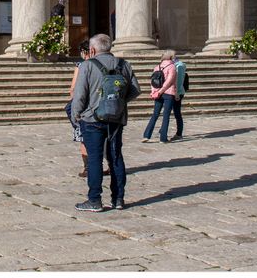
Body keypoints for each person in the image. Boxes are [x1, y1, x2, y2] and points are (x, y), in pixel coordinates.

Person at [70, 33, 141, 212]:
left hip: (92, 119)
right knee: (115, 157)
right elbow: (136, 90)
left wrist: (76, 114)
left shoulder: (87, 66)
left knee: (95, 160)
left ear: (92, 50)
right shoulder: (124, 64)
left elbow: (79, 95)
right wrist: (119, 103)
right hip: (116, 118)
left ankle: (94, 200)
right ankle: (118, 199)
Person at [65, 40, 109, 178]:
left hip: (85, 111)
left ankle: (88, 168)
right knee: (106, 140)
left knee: (84, 138)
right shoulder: (107, 65)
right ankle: (111, 165)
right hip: (105, 109)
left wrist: (76, 111)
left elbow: (73, 90)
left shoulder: (82, 65)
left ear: (85, 52)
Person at [142, 49, 177, 144]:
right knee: (166, 116)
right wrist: (161, 91)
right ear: (171, 57)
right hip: (168, 94)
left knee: (155, 114)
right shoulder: (172, 67)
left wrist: (155, 92)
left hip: (157, 93)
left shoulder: (157, 67)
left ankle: (146, 135)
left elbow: (153, 81)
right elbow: (169, 82)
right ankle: (163, 138)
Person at [170, 52, 187, 141]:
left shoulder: (179, 66)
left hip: (178, 92)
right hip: (175, 91)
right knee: (173, 111)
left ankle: (179, 133)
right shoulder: (176, 65)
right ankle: (162, 130)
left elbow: (179, 81)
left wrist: (177, 93)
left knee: (177, 113)